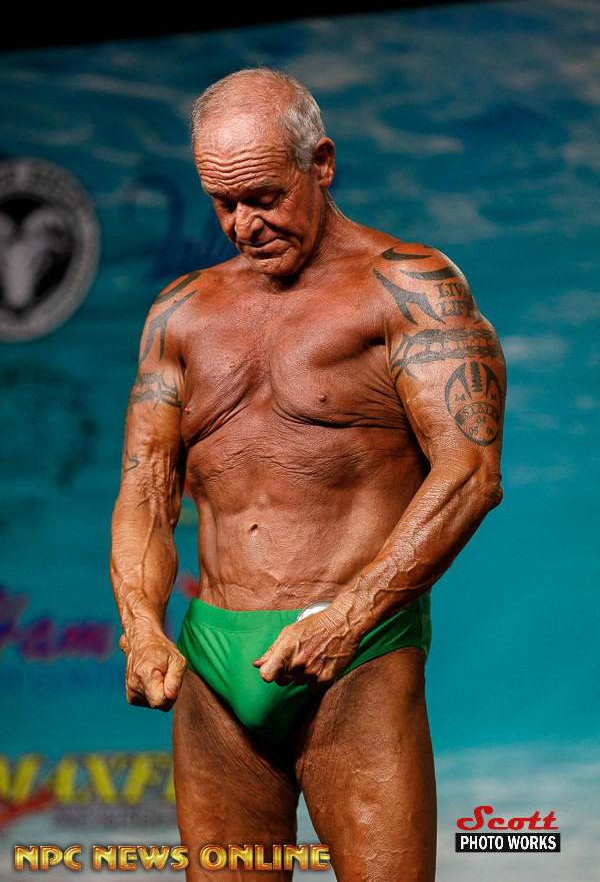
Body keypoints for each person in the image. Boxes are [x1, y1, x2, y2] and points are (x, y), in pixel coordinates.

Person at [110, 67, 505, 881]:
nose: (243, 225)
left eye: (264, 197)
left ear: (320, 163)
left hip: (357, 651)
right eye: (223, 203)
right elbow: (146, 489)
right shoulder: (180, 314)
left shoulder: (408, 288)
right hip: (215, 659)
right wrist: (140, 624)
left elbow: (470, 473)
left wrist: (348, 618)